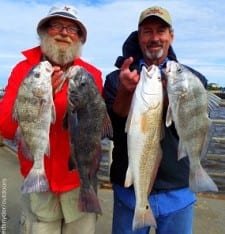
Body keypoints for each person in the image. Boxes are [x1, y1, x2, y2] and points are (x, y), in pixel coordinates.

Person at [104, 6, 208, 234]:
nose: (155, 38)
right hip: (129, 192)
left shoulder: (193, 81)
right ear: (138, 36)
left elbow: (195, 127)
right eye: (147, 31)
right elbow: (112, 131)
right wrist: (124, 92)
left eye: (161, 31)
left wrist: (174, 98)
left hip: (178, 191)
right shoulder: (115, 79)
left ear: (171, 36)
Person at [0, 5, 102, 234]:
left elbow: (94, 129)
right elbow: (6, 128)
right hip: (38, 184)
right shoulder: (23, 70)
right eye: (57, 25)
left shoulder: (91, 75)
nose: (64, 33)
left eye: (73, 29)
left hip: (78, 181)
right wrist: (43, 99)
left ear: (80, 38)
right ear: (44, 31)